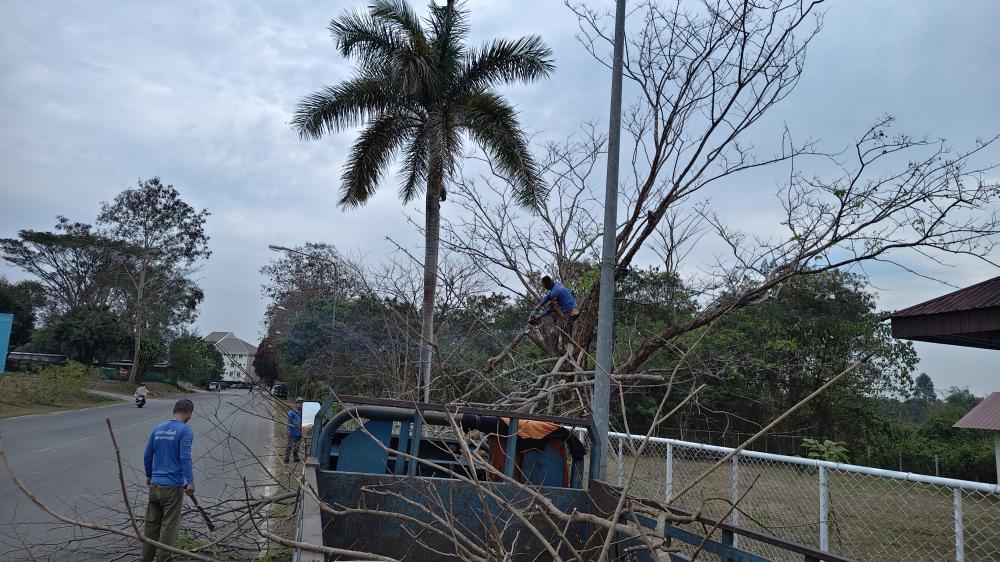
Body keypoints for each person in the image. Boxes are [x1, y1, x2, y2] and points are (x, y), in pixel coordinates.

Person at [142, 399, 195, 562]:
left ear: (173, 411)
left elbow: (147, 455)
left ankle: (145, 559)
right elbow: (185, 457)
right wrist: (190, 481)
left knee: (151, 526)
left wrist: (149, 475)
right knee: (169, 527)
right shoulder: (185, 430)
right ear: (189, 413)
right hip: (172, 488)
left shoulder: (158, 428)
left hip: (155, 486)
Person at [284, 398, 303, 463]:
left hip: (299, 432)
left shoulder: (302, 413)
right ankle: (286, 458)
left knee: (297, 446)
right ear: (296, 403)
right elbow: (288, 421)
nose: (300, 404)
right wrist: (288, 430)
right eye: (298, 402)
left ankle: (295, 458)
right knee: (289, 446)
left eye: (301, 403)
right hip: (292, 432)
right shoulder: (291, 412)